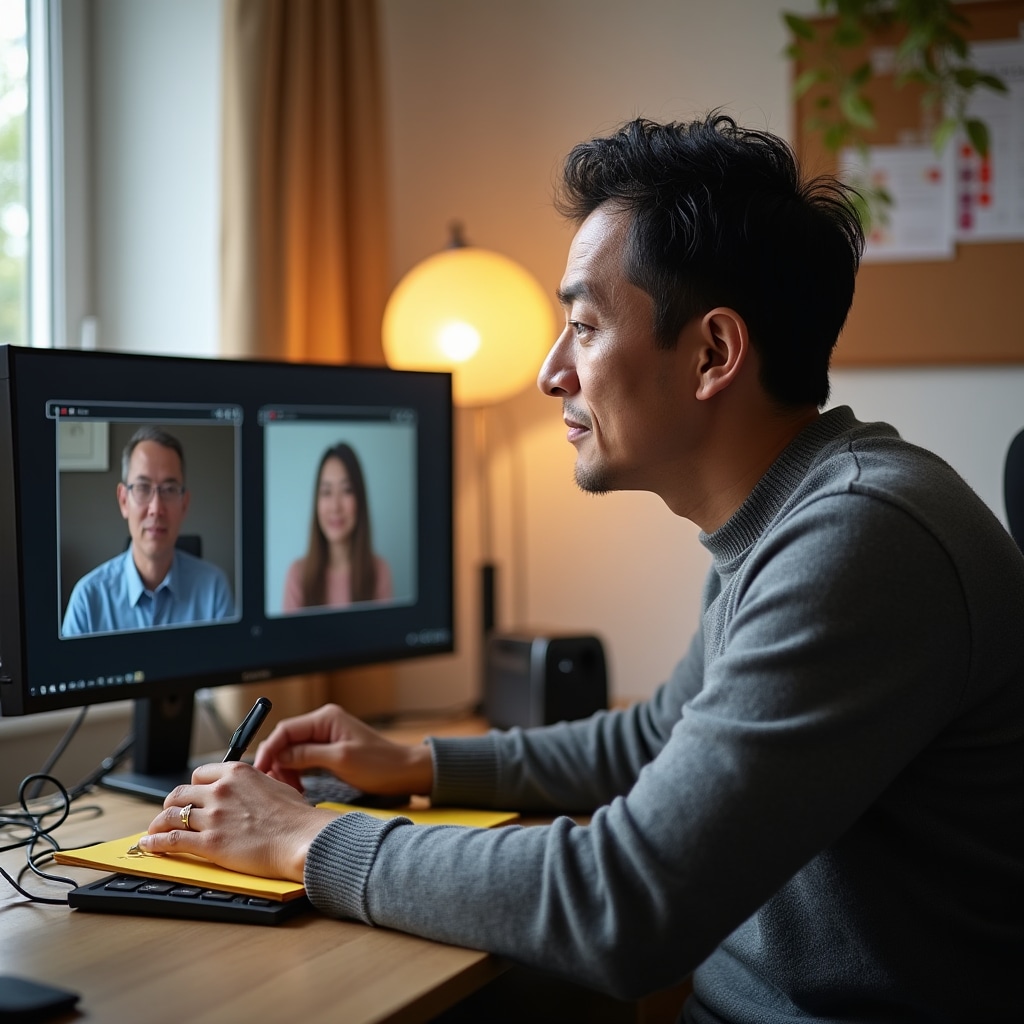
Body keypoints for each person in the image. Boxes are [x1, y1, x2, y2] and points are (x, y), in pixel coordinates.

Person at [138, 114, 1023, 1023]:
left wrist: (306, 841)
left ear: (714, 353)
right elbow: (654, 743)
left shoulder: (861, 542)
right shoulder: (788, 520)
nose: (549, 371)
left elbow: (624, 901)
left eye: (584, 325)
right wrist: (415, 761)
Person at [62, 426, 234, 635]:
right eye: (143, 488)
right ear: (124, 500)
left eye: (169, 490)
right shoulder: (88, 599)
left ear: (184, 504)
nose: (156, 509)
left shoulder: (213, 589)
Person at [281, 442, 393, 612]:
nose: (335, 506)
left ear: (359, 499)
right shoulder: (298, 576)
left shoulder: (379, 571)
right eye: (326, 492)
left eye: (347, 490)